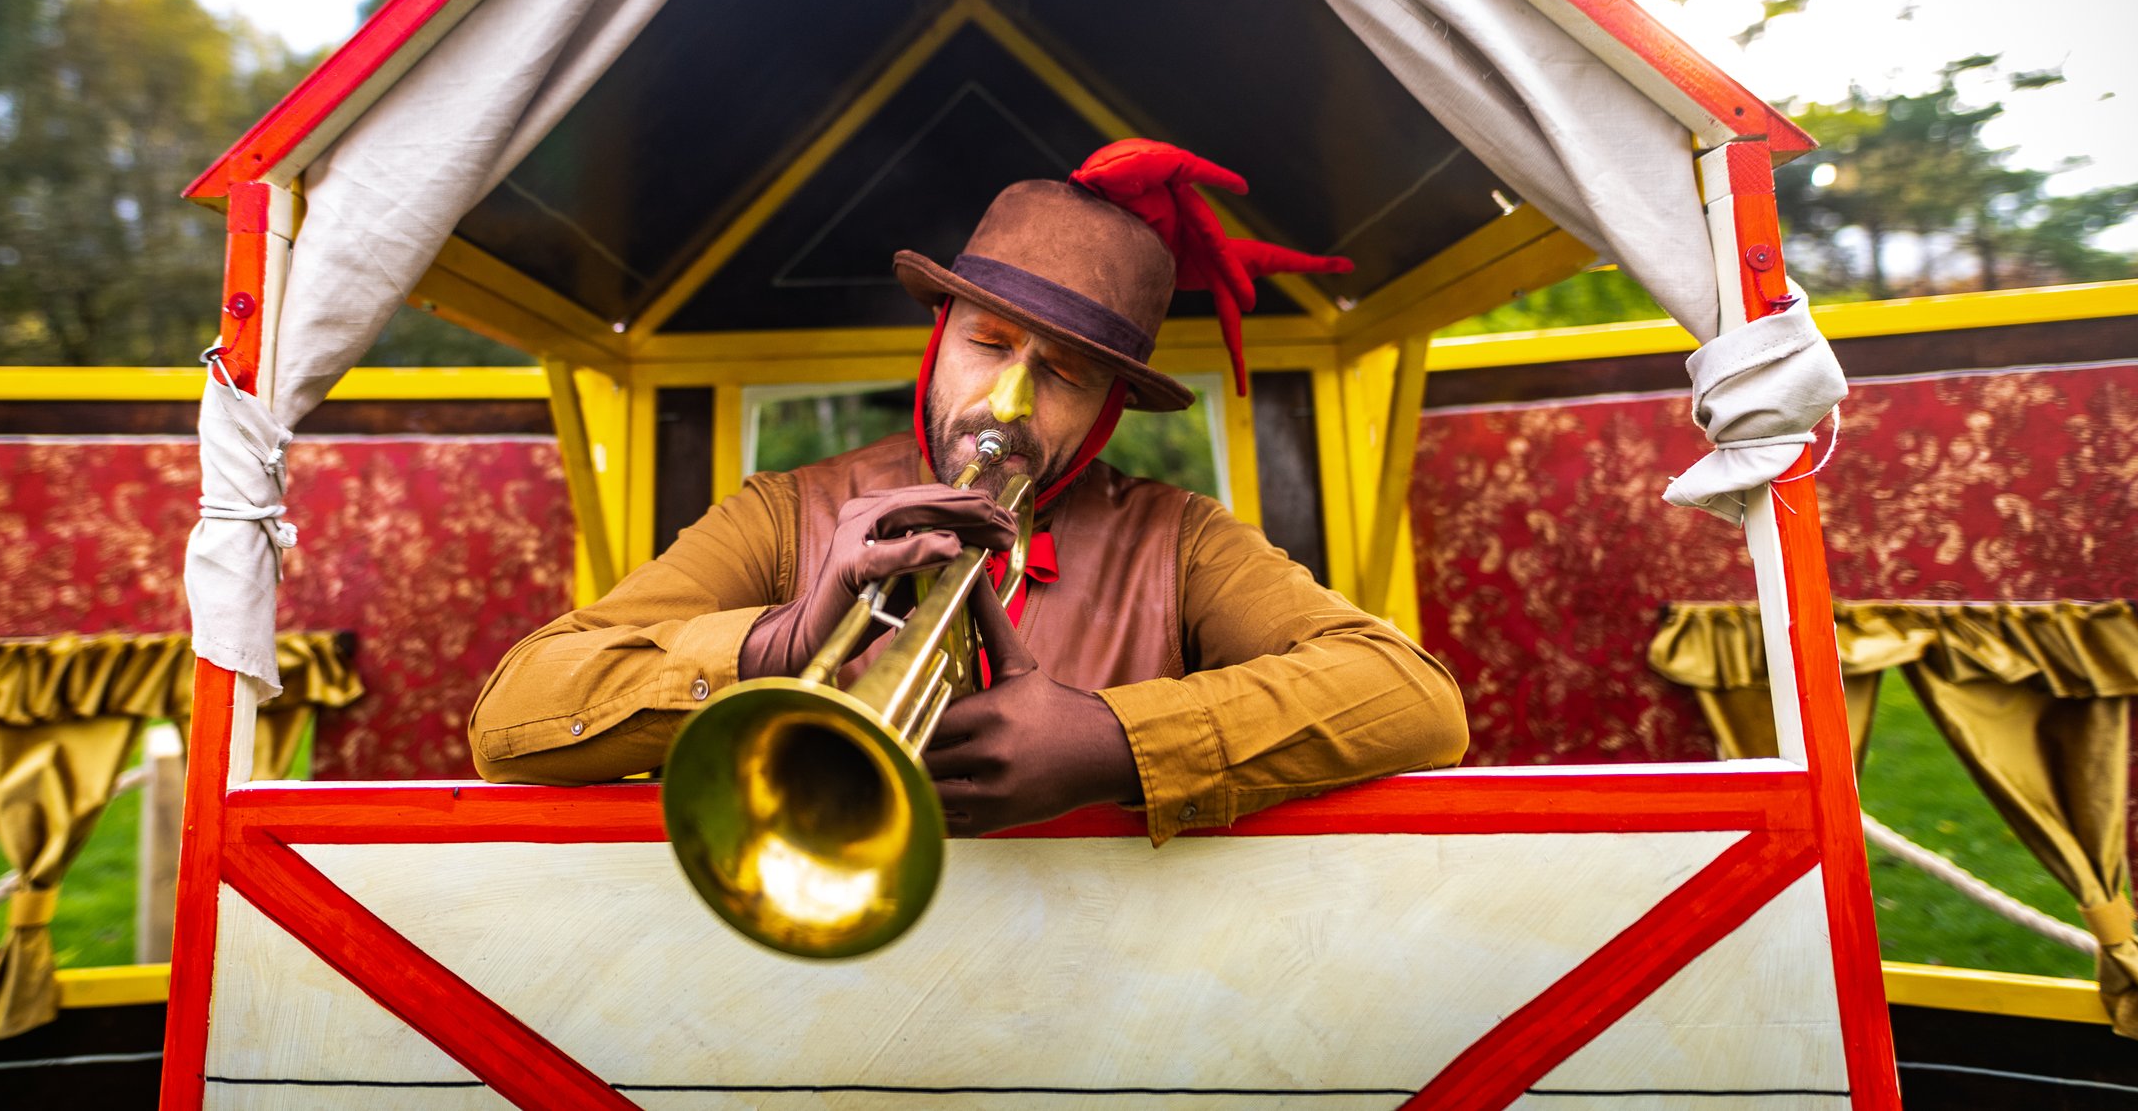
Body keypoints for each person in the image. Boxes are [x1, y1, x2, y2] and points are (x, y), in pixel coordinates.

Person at [469, 139, 1468, 840]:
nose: (1010, 399)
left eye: (1067, 371)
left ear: (1111, 406)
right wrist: (772, 642)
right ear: (937, 336)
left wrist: (1115, 741)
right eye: (988, 343)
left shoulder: (1182, 537)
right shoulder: (781, 510)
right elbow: (511, 718)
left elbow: (1417, 703)